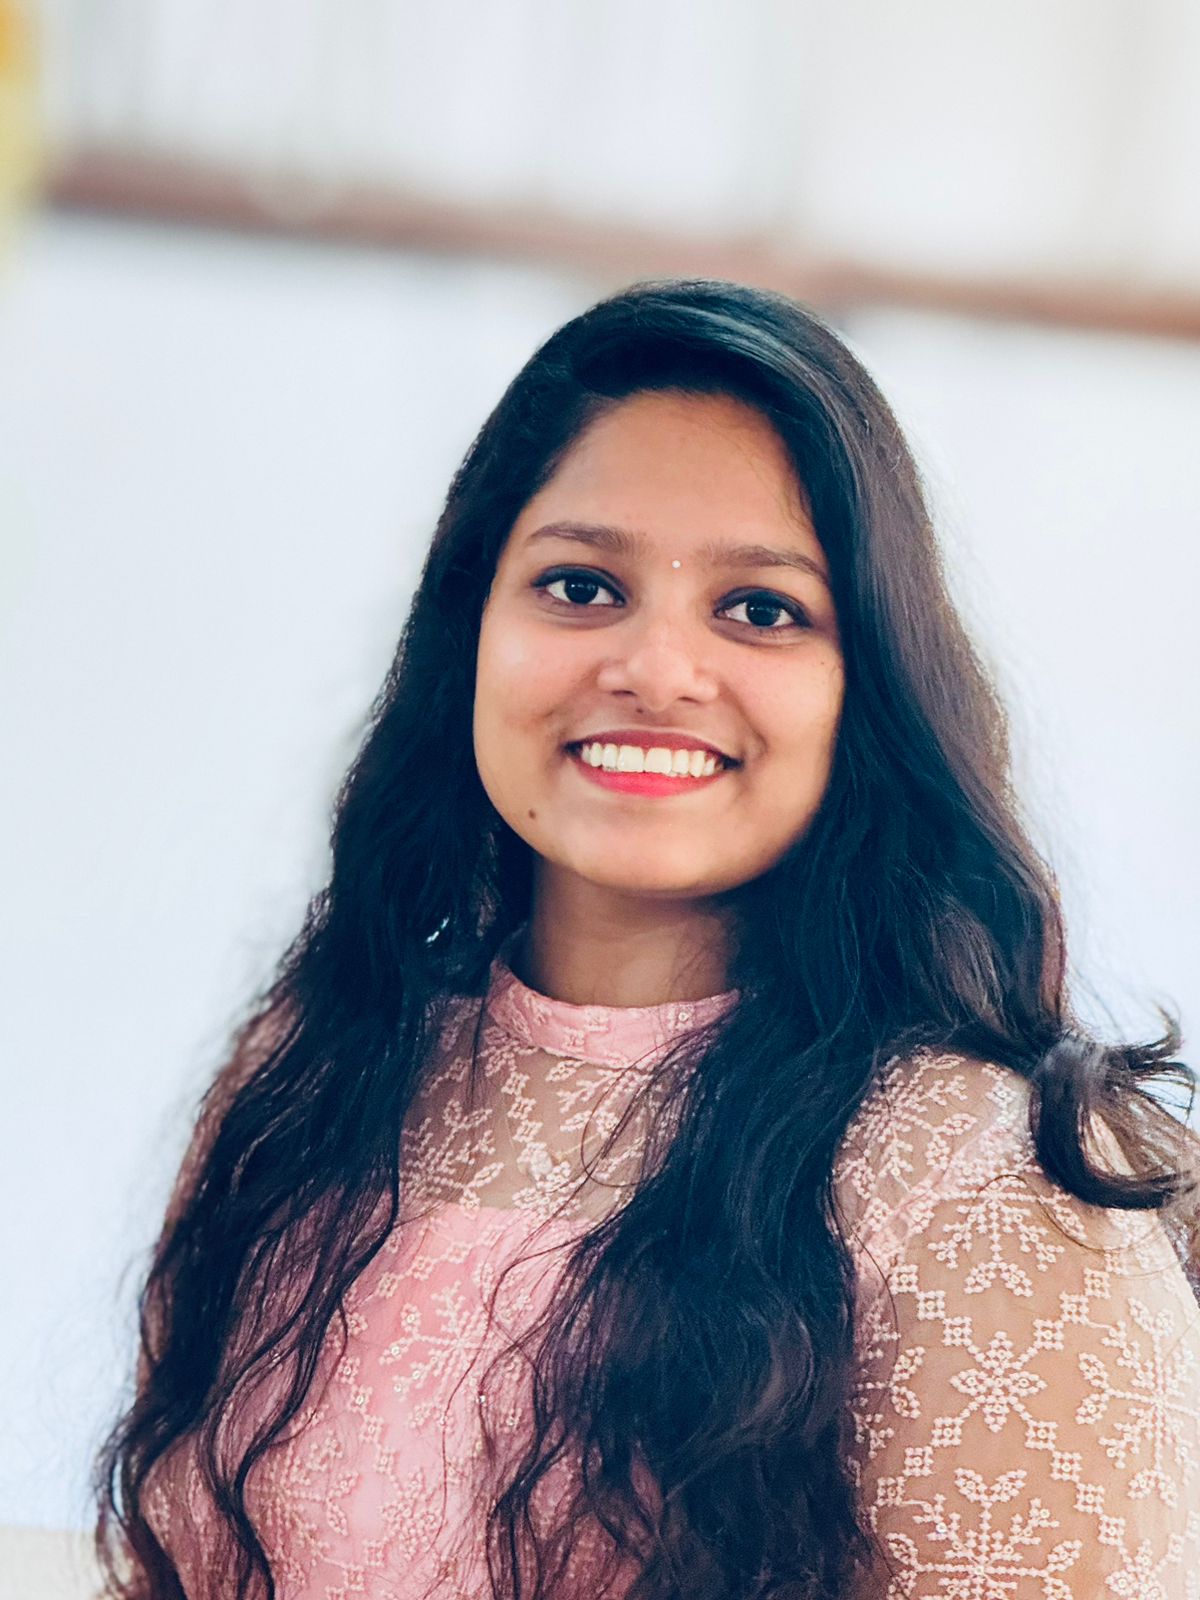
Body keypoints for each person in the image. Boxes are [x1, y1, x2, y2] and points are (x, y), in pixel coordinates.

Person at [95, 279, 1200, 1600]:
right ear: (469, 634)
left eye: (761, 609)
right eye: (581, 586)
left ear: (867, 687)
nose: (658, 669)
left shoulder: (982, 1182)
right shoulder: (309, 1078)